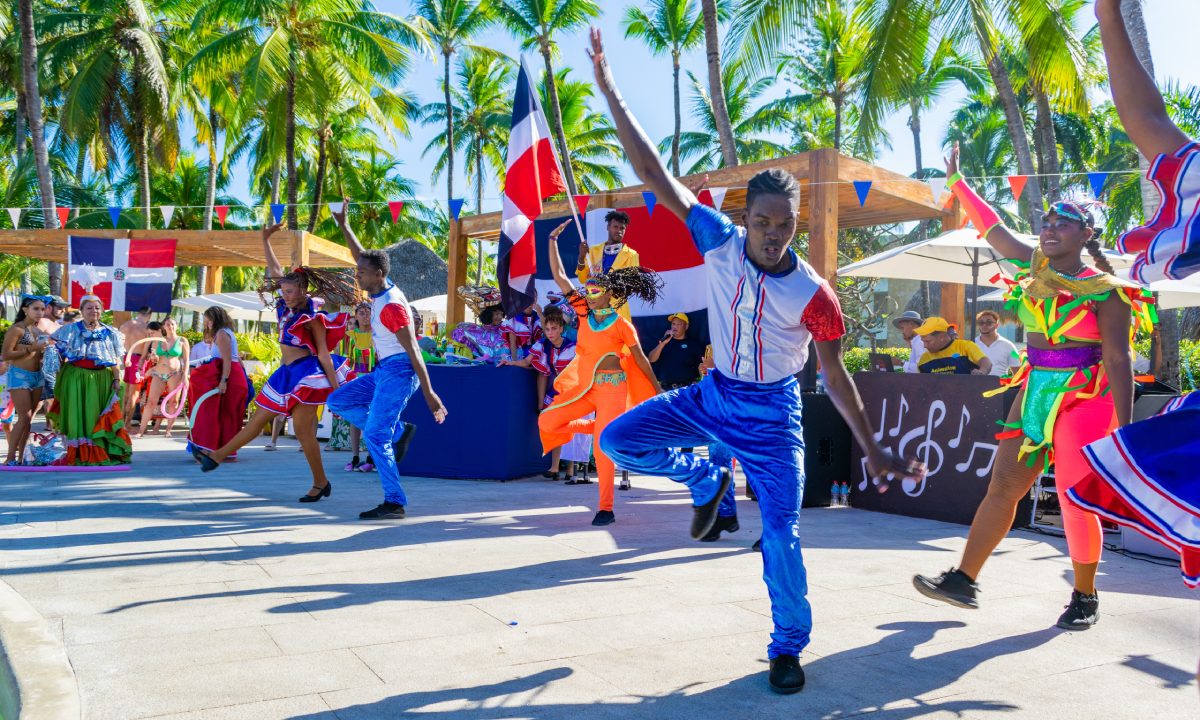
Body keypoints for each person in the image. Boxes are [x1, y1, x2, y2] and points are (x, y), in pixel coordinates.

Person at [585, 28, 925, 694]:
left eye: (785, 224)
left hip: (773, 416)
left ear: (796, 222)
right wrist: (610, 90)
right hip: (713, 395)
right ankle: (703, 481)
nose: (774, 234)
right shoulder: (717, 240)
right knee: (619, 439)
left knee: (781, 534)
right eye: (764, 222)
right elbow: (655, 171)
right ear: (746, 218)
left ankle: (787, 646)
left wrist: (875, 450)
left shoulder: (814, 295)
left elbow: (834, 374)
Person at [912, 144, 1154, 631]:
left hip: (1086, 394)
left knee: (1070, 495)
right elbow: (993, 229)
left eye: (1062, 222)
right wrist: (958, 181)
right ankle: (964, 579)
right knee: (1003, 485)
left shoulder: (1109, 291)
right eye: (1045, 221)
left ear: (1086, 233)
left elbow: (1118, 357)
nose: (1048, 228)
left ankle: (1085, 596)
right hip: (1036, 385)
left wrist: (1125, 430)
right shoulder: (1032, 267)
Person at [193, 222, 357, 504]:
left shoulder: (313, 316)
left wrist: (336, 389)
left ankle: (319, 482)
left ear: (303, 290)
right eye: (283, 291)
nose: (285, 295)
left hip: (307, 374)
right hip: (286, 375)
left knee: (305, 434)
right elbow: (275, 272)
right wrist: (264, 238)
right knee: (258, 421)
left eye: (290, 291)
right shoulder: (284, 308)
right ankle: (217, 456)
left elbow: (323, 353)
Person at [540, 216, 663, 526]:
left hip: (613, 389)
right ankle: (596, 429)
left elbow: (642, 362)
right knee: (548, 419)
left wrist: (658, 391)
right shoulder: (582, 312)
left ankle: (605, 507)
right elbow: (560, 277)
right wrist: (552, 242)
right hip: (586, 387)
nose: (590, 295)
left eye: (595, 291)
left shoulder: (623, 325)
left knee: (601, 448)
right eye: (588, 291)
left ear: (610, 295)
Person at [326, 208, 447, 520]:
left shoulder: (391, 306)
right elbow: (361, 256)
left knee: (375, 437)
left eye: (361, 274)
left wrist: (430, 393)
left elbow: (414, 351)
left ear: (378, 274)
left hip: (400, 370)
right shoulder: (381, 285)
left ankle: (394, 501)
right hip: (384, 370)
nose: (358, 276)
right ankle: (398, 432)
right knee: (337, 400)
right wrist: (344, 223)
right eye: (358, 271)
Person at [502, 305, 584, 482]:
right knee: (555, 427)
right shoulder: (542, 345)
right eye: (547, 329)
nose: (550, 332)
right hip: (556, 391)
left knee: (571, 428)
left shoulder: (572, 347)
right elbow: (527, 361)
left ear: (561, 328)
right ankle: (554, 467)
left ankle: (570, 469)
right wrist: (512, 363)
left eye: (554, 328)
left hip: (572, 391)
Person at [48, 294, 131, 465]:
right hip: (76, 378)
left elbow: (115, 358)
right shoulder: (69, 330)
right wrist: (60, 379)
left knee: (97, 415)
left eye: (97, 308)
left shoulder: (110, 333)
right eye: (89, 308)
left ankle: (100, 450)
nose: (94, 311)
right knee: (76, 414)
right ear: (81, 311)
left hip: (101, 379)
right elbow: (55, 351)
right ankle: (79, 452)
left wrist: (116, 379)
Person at [188, 307, 250, 462]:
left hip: (229, 377)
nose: (206, 322)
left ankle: (211, 450)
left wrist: (224, 381)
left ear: (215, 318)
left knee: (218, 414)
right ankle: (223, 452)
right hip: (231, 375)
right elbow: (237, 359)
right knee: (224, 415)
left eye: (208, 319)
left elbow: (228, 360)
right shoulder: (224, 333)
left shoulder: (222, 334)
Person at [2, 296, 51, 464]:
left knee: (28, 419)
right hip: (19, 375)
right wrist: (32, 348)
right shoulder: (18, 329)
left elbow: (39, 354)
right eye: (36, 309)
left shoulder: (38, 331)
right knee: (24, 416)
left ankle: (22, 457)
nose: (40, 312)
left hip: (37, 376)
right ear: (25, 310)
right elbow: (6, 354)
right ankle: (10, 458)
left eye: (43, 309)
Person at [577, 210, 641, 321]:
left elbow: (633, 286)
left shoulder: (631, 255)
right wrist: (581, 257)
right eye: (615, 227)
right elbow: (582, 279)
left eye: (622, 228)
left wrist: (607, 286)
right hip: (595, 311)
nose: (619, 231)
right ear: (608, 227)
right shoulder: (593, 251)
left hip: (618, 311)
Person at [135, 317, 189, 438]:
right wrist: (154, 358)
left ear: (176, 325)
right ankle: (141, 430)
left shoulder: (182, 341)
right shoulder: (158, 340)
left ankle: (168, 430)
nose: (170, 326)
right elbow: (153, 357)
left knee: (173, 403)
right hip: (158, 374)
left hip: (174, 374)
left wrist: (185, 375)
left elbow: (186, 360)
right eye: (168, 324)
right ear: (163, 326)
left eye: (172, 324)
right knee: (151, 402)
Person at [341, 302, 376, 472]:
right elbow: (343, 361)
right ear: (355, 316)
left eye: (368, 312)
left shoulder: (377, 335)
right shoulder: (349, 335)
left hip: (374, 381)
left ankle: (371, 457)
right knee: (355, 419)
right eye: (361, 312)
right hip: (354, 381)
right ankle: (355, 457)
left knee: (371, 418)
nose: (365, 315)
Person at [647, 312, 706, 391]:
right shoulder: (664, 342)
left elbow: (702, 367)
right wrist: (663, 343)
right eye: (673, 324)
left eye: (679, 324)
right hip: (666, 389)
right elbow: (651, 359)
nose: (675, 327)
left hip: (687, 389)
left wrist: (698, 384)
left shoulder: (693, 345)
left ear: (686, 326)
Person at [914, 317, 992, 375]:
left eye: (928, 341)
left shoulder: (965, 346)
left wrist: (981, 373)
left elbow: (986, 362)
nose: (924, 346)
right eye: (923, 341)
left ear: (941, 337)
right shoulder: (924, 359)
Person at [119, 307, 153, 428]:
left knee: (126, 393)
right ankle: (127, 424)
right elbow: (146, 350)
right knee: (134, 394)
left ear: (138, 313)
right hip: (137, 359)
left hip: (124, 358)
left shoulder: (125, 325)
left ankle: (121, 421)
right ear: (149, 315)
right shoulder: (146, 328)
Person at [974, 310, 1018, 377]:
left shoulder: (1009, 345)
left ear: (996, 325)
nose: (984, 325)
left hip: (1000, 386)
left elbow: (1018, 373)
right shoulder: (971, 344)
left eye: (989, 322)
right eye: (981, 323)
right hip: (976, 385)